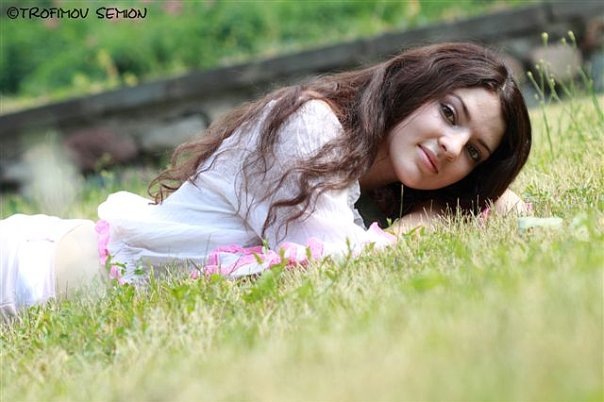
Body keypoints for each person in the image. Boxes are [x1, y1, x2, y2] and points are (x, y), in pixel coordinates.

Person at [0, 42, 532, 321]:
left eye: (474, 152)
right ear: (417, 83)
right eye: (449, 113)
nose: (452, 146)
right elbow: (330, 266)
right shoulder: (309, 125)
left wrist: (482, 203)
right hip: (27, 278)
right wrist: (430, 222)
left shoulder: (381, 190)